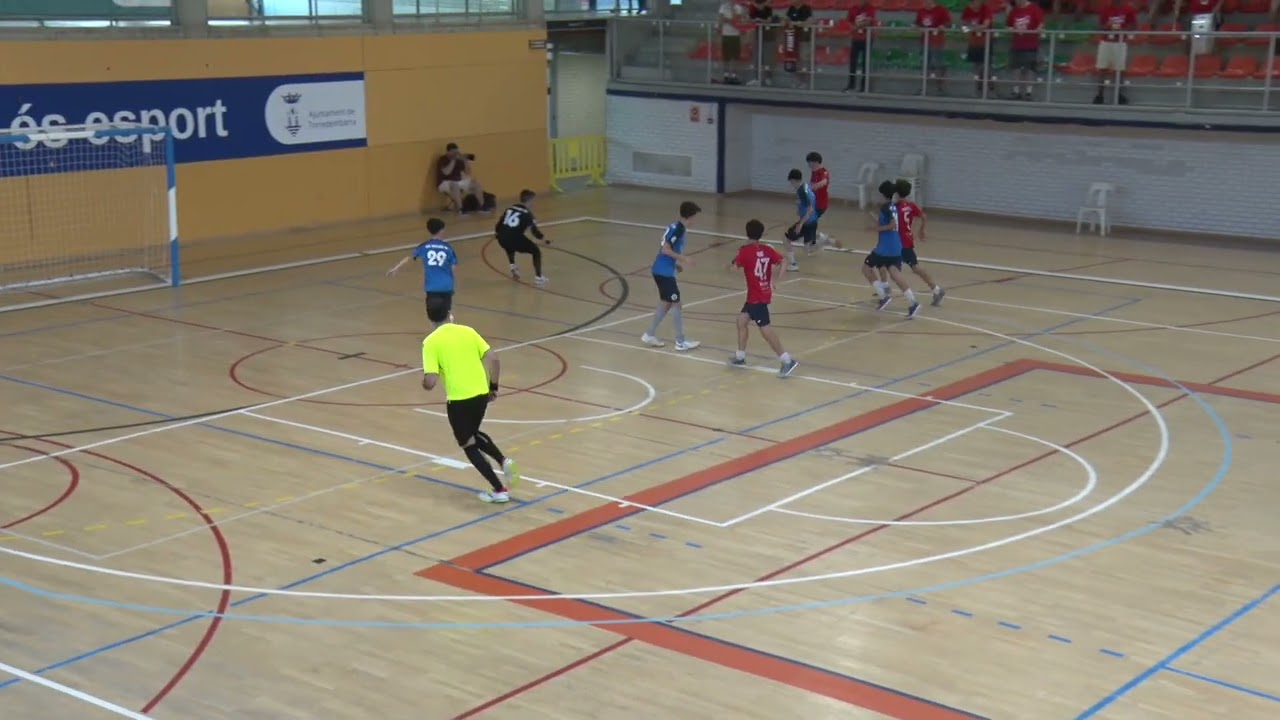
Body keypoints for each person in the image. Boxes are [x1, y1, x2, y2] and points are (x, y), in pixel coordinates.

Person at [420, 298, 519, 504]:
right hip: (481, 393)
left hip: (459, 400)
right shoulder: (468, 331)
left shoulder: (430, 342)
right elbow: (494, 358)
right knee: (473, 433)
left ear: (430, 319)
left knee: (468, 444)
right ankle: (503, 460)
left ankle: (499, 489)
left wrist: (426, 381)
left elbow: (430, 381)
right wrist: (493, 386)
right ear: (449, 314)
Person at [729, 219, 799, 377]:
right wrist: (777, 281)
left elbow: (733, 269)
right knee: (741, 321)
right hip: (761, 292)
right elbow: (784, 261)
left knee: (765, 329)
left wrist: (734, 260)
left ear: (747, 233)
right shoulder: (767, 249)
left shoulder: (745, 251)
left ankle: (787, 360)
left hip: (756, 296)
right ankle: (740, 357)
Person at [641, 201, 703, 352]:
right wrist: (684, 259)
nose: (695, 221)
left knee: (666, 303)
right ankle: (680, 342)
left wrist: (675, 264)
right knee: (676, 303)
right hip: (663, 272)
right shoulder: (679, 230)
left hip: (662, 270)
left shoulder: (675, 226)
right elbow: (665, 250)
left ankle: (649, 334)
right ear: (690, 217)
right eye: (695, 217)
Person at [879, 179, 945, 306]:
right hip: (907, 241)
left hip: (897, 243)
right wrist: (922, 229)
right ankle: (936, 289)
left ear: (896, 193)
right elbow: (923, 216)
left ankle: (885, 292)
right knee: (915, 267)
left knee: (883, 264)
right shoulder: (911, 206)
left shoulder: (893, 208)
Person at [863, 181, 920, 318]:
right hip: (896, 245)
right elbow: (889, 222)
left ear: (882, 194)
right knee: (894, 273)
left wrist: (874, 228)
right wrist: (875, 220)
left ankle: (883, 297)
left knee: (866, 268)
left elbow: (892, 225)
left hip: (885, 247)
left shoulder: (885, 207)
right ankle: (913, 302)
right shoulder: (892, 207)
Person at [387, 217, 458, 314]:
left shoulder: (424, 246)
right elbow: (453, 267)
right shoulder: (448, 247)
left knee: (434, 315)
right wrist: (451, 284)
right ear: (441, 230)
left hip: (432, 287)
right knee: (446, 313)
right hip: (447, 286)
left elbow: (409, 258)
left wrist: (396, 268)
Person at [495, 190, 549, 286]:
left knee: (508, 244)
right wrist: (544, 239)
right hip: (514, 238)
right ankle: (539, 277)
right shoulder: (528, 214)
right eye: (533, 200)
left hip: (501, 238)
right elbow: (534, 232)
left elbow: (499, 225)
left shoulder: (510, 209)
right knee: (536, 251)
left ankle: (512, 265)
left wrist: (497, 234)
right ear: (530, 200)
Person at [1095, 0, 1137, 104]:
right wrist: (1107, 26)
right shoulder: (1105, 8)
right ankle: (1100, 95)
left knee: (1119, 70)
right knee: (1102, 69)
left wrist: (1123, 30)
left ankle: (1118, 95)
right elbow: (1099, 26)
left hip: (1120, 42)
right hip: (1106, 42)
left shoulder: (1129, 8)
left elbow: (1134, 25)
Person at [1006, 0, 1046, 101]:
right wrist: (1010, 29)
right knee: (1016, 68)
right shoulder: (1014, 10)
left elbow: (1041, 23)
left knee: (1030, 68)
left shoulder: (1034, 9)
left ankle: (1029, 92)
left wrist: (1037, 30)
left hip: (1031, 44)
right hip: (1017, 44)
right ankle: (1016, 91)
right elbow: (1008, 24)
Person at [436, 142, 490, 214]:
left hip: (458, 181)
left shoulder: (459, 160)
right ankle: (460, 209)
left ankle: (482, 206)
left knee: (476, 183)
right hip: (443, 183)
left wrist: (465, 161)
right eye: (453, 152)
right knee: (454, 184)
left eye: (456, 152)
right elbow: (446, 172)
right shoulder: (442, 159)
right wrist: (453, 160)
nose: (455, 154)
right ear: (447, 152)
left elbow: (467, 173)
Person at [915, 0, 953, 95]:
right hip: (924, 41)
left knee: (938, 64)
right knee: (924, 64)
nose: (926, 3)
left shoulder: (941, 10)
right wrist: (915, 26)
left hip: (937, 42)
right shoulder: (921, 11)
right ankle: (923, 88)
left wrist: (943, 26)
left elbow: (949, 23)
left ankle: (941, 88)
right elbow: (918, 23)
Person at [783, 168, 818, 271]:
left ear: (793, 180)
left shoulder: (801, 191)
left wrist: (800, 224)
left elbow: (810, 209)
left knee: (786, 240)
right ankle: (824, 240)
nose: (791, 184)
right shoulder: (806, 186)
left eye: (791, 182)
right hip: (813, 221)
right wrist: (799, 206)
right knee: (808, 248)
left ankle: (793, 264)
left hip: (806, 222)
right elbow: (811, 202)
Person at [806, 151, 841, 249]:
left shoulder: (823, 172)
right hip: (814, 204)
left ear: (815, 162)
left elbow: (824, 182)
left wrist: (811, 188)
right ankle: (823, 240)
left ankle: (826, 240)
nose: (808, 165)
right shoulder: (814, 172)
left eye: (809, 162)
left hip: (820, 204)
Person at [961, 0, 993, 97]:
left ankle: (989, 86)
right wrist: (972, 28)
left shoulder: (986, 8)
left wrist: (971, 28)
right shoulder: (968, 9)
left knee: (985, 64)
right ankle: (978, 87)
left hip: (986, 40)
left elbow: (985, 25)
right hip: (974, 40)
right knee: (976, 64)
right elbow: (963, 27)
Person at [844, 0, 877, 93]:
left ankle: (864, 86)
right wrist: (852, 27)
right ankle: (851, 85)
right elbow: (848, 21)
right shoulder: (853, 8)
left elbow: (869, 21)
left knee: (865, 63)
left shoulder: (871, 8)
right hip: (856, 38)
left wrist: (857, 26)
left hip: (867, 38)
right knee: (853, 62)